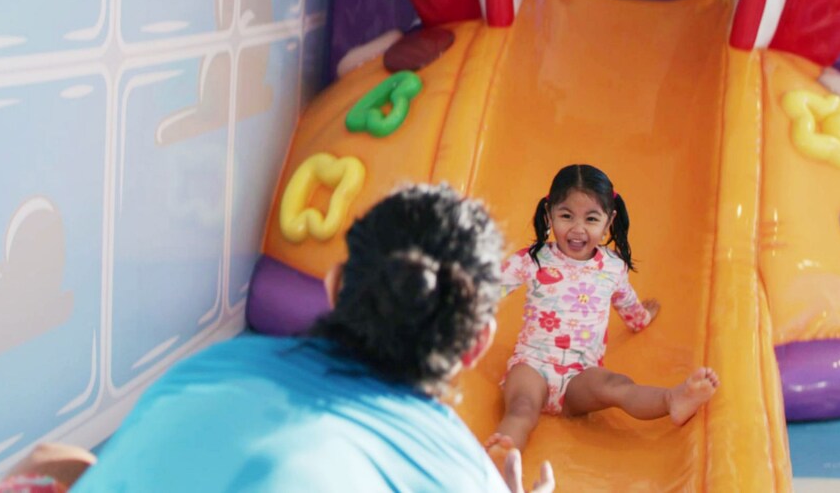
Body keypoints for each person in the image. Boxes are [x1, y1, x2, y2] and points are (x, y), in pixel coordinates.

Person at [70, 184, 553, 492]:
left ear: (335, 284)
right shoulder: (461, 473)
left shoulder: (210, 367)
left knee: (60, 461)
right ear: (477, 343)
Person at [486, 164, 720, 460]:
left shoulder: (612, 267)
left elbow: (627, 303)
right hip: (532, 365)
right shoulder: (533, 260)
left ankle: (672, 399)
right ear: (549, 214)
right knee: (521, 408)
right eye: (566, 216)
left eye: (591, 218)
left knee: (617, 386)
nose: (577, 229)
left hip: (580, 376)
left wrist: (641, 318)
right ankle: (500, 456)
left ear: (608, 222)